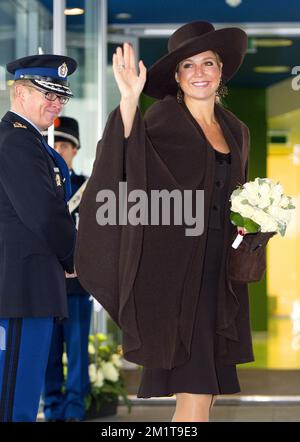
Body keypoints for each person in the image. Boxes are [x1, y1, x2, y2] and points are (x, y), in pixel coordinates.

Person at [75, 21, 251, 422]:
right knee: (194, 392)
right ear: (177, 76)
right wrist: (129, 102)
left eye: (208, 63)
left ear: (221, 70)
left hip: (221, 276)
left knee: (208, 394)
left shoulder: (236, 131)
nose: (200, 73)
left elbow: (238, 198)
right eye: (188, 66)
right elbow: (121, 160)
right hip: (175, 275)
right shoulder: (161, 121)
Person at [0, 55, 77, 422]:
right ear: (18, 92)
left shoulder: (27, 140)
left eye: (61, 96)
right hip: (20, 293)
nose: (55, 102)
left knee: (21, 395)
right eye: (46, 93)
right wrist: (74, 257)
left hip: (26, 290)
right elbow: (44, 214)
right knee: (14, 399)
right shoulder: (17, 142)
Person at [42, 117, 92, 422]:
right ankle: (51, 410)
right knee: (47, 355)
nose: (59, 150)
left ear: (75, 150)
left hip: (77, 287)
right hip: (45, 286)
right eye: (54, 144)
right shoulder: (38, 187)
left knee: (76, 354)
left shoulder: (89, 188)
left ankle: (74, 412)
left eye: (64, 145)